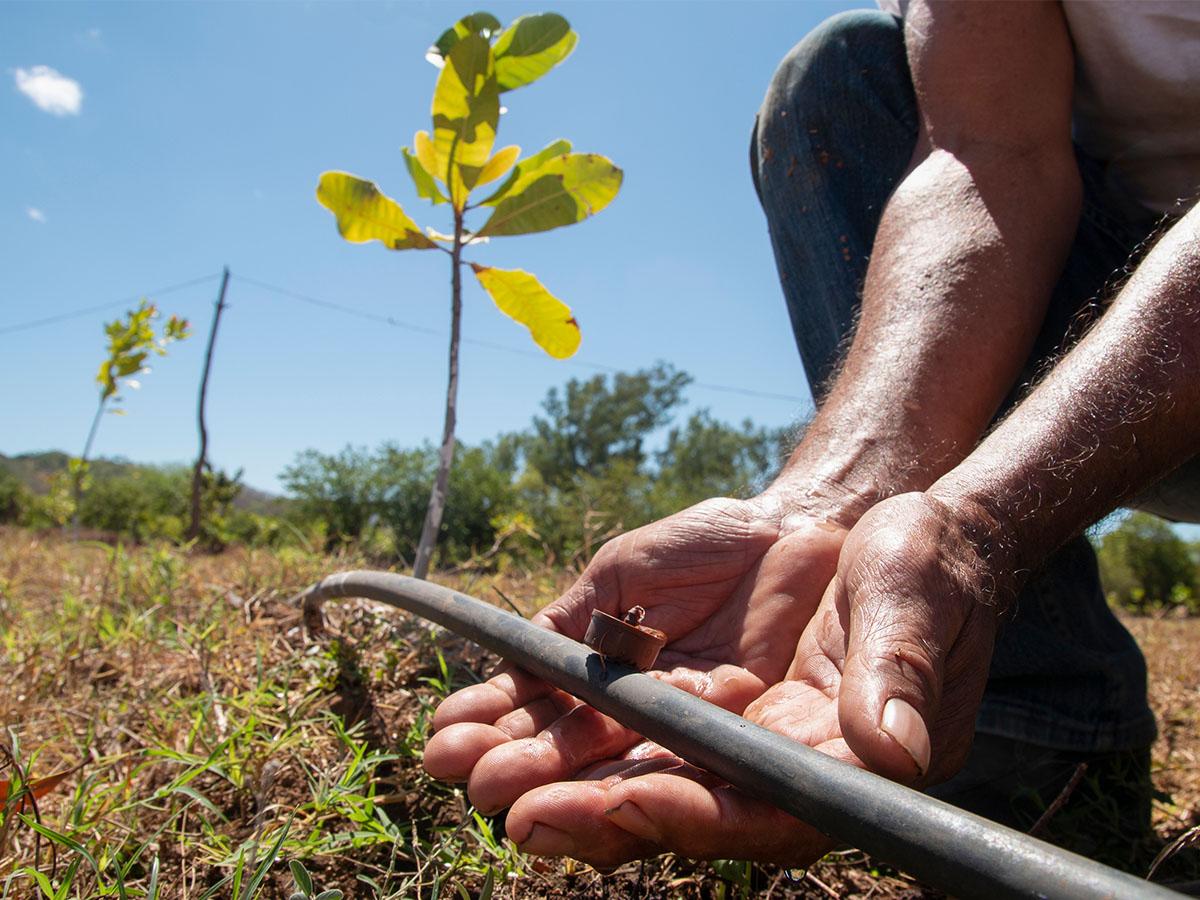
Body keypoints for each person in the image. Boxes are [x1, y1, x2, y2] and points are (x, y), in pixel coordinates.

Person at [422, 0, 1200, 872]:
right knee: (841, 78)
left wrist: (983, 522)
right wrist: (830, 507)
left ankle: (1014, 685)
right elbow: (989, 153)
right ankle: (1035, 711)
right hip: (1093, 269)